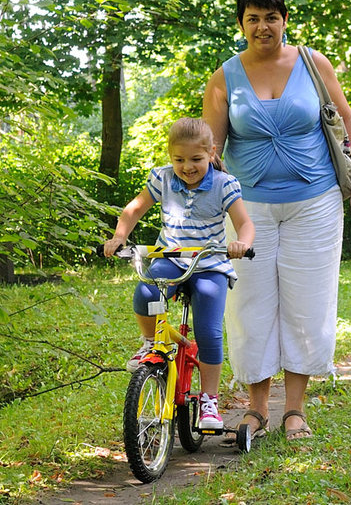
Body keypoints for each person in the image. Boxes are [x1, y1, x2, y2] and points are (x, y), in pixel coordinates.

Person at [202, 0, 351, 440]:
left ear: (284, 20)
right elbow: (210, 150)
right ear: (241, 24)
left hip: (314, 203)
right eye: (253, 18)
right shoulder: (224, 77)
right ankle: (256, 409)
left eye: (271, 17)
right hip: (247, 211)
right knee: (250, 304)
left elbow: (347, 120)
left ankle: (294, 410)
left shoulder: (313, 64)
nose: (263, 26)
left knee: (307, 302)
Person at [103, 117, 255, 430]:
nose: (187, 167)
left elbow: (245, 223)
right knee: (145, 292)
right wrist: (120, 236)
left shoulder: (224, 184)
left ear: (212, 153)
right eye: (179, 159)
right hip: (171, 257)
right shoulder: (162, 179)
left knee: (208, 329)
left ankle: (210, 400)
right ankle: (150, 342)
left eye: (196, 159)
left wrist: (242, 243)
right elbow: (134, 209)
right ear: (170, 157)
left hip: (209, 262)